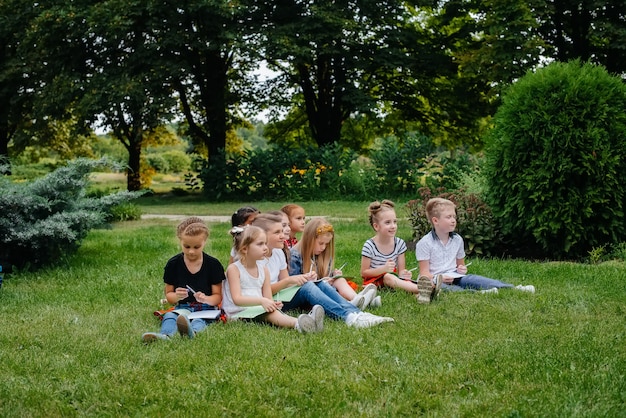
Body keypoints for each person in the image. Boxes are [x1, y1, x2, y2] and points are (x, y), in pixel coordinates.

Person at [253, 213, 393, 329]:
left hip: (282, 297)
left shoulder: (278, 253)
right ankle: (349, 317)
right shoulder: (258, 260)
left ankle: (356, 313)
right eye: (277, 232)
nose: (284, 235)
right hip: (270, 301)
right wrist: (292, 280)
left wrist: (302, 278)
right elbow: (270, 289)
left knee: (319, 284)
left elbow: (286, 282)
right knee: (308, 287)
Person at [415, 197, 535, 298]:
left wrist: (461, 269)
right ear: (435, 220)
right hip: (436, 280)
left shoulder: (457, 240)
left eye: (454, 217)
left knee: (476, 279)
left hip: (455, 276)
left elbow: (460, 265)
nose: (453, 220)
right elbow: (424, 274)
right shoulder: (425, 243)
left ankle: (514, 288)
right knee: (445, 289)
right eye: (448, 217)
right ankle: (479, 293)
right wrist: (441, 277)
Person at [222, 224, 322, 333]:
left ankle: (308, 323)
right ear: (245, 249)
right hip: (238, 312)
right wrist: (262, 301)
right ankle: (298, 323)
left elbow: (268, 297)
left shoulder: (263, 270)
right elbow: (237, 299)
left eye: (265, 243)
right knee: (270, 314)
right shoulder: (234, 269)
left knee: (272, 311)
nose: (265, 247)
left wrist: (273, 303)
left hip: (256, 307)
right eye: (260, 244)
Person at [142, 217, 225, 343]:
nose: (191, 251)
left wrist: (206, 299)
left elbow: (217, 297)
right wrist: (177, 296)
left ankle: (193, 332)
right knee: (170, 316)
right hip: (183, 307)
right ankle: (166, 336)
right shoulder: (173, 264)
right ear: (180, 241)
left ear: (205, 242)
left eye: (196, 247)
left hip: (205, 309)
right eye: (186, 246)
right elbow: (169, 296)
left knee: (200, 320)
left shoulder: (213, 265)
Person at [291, 217, 381, 310]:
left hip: (325, 291)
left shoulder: (322, 254)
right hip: (309, 297)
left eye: (326, 244)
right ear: (309, 239)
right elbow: (294, 286)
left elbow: (325, 276)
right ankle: (361, 302)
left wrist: (333, 276)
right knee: (328, 287)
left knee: (339, 280)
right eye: (321, 243)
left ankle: (357, 299)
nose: (323, 247)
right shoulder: (295, 256)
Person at [360, 200, 433, 303]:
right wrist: (383, 269)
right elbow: (364, 273)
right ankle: (424, 289)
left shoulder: (399, 243)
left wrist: (405, 274)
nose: (393, 226)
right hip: (375, 281)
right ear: (376, 226)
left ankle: (422, 295)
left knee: (400, 280)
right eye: (387, 222)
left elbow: (401, 271)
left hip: (394, 279)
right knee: (388, 277)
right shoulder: (369, 245)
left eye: (395, 221)